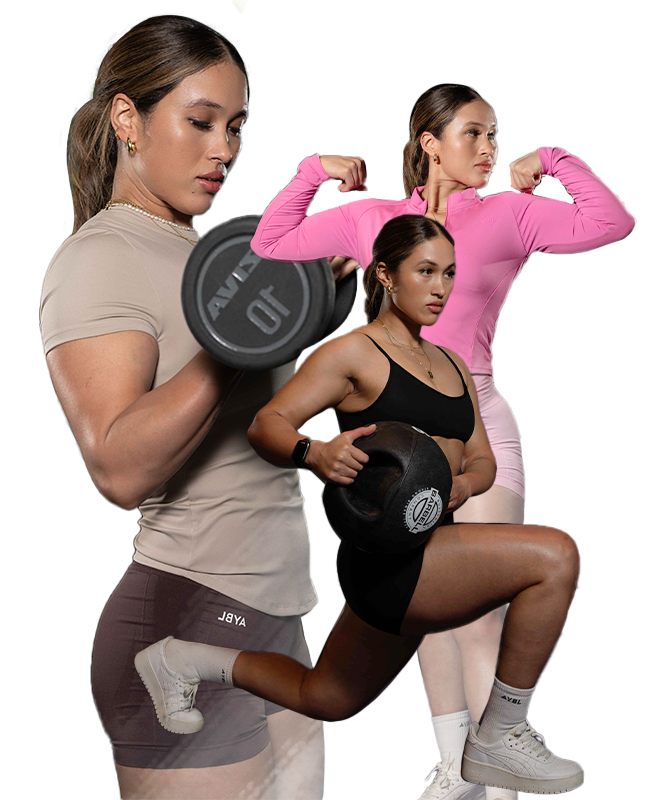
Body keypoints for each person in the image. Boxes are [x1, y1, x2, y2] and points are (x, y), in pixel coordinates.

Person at [247, 85, 635, 799]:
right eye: (475, 134)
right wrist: (312, 173)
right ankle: (454, 765)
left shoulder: (508, 214)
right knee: (430, 608)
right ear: (428, 141)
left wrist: (549, 158)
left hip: (475, 413)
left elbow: (614, 221)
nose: (489, 149)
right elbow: (268, 245)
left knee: (484, 605)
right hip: (396, 428)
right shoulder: (376, 223)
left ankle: (500, 773)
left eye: (495, 136)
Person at [137, 214, 584, 798]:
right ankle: (500, 731)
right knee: (555, 556)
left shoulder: (453, 367)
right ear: (385, 275)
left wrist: (466, 487)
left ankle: (182, 659)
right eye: (425, 271)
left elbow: (483, 461)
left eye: (449, 273)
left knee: (326, 698)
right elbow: (265, 425)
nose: (441, 287)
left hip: (429, 546)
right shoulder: (353, 353)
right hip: (388, 560)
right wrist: (315, 452)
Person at [39, 15, 324, 800]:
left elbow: (262, 441)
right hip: (185, 621)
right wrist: (235, 345)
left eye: (234, 127)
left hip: (279, 625)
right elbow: (118, 467)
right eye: (198, 122)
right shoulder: (99, 256)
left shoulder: (211, 255)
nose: (223, 149)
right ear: (128, 119)